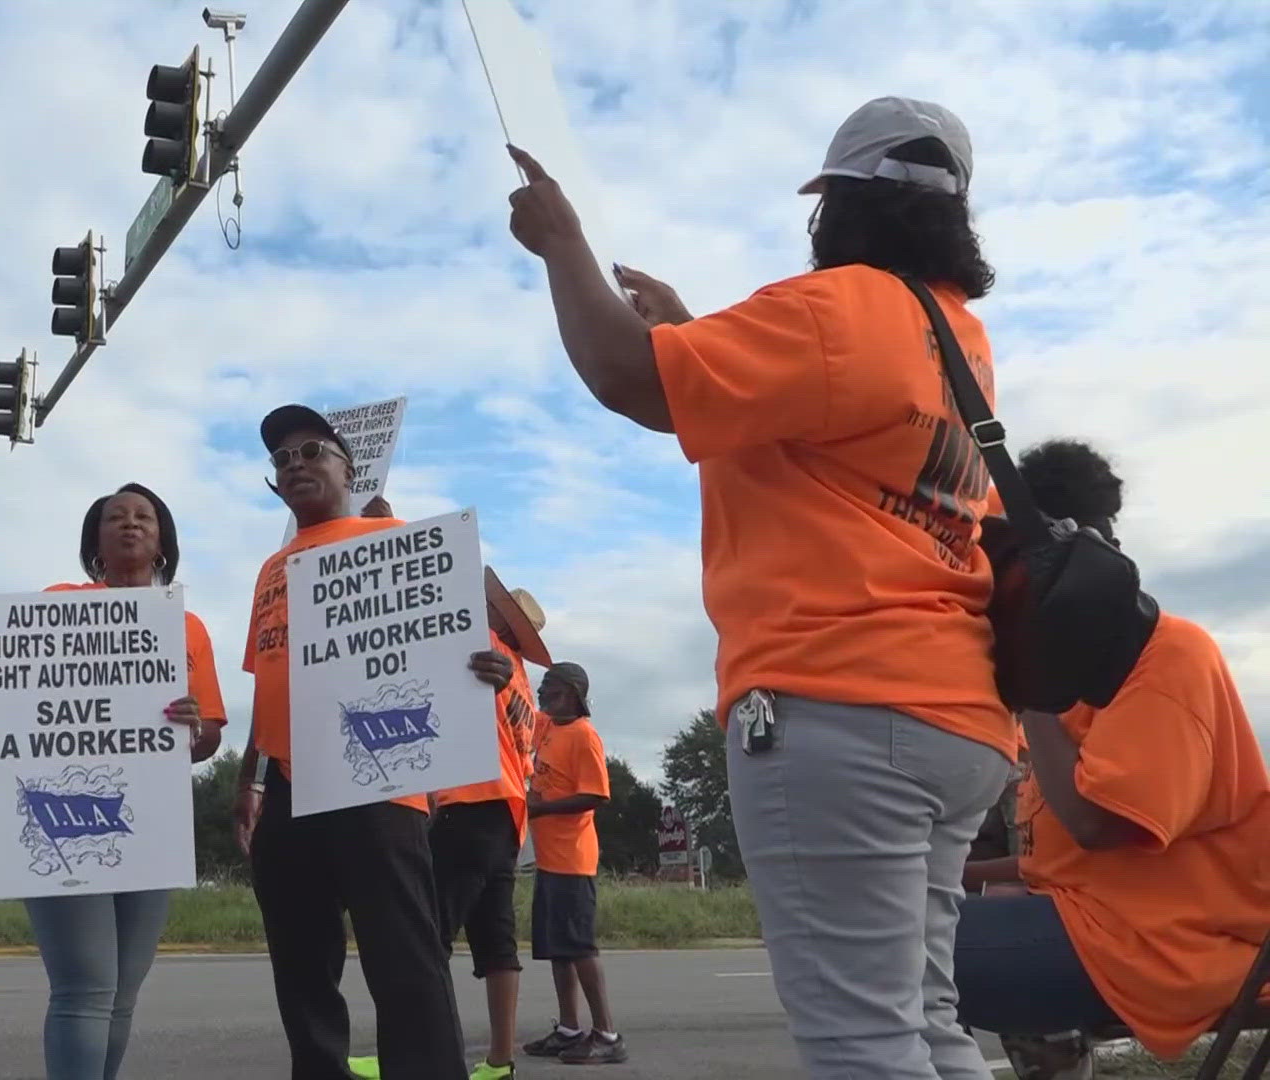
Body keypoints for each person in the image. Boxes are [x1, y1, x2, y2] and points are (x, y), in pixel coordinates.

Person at [507, 96, 1015, 1078]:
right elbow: (820, 446)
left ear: (840, 203)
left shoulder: (839, 308)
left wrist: (561, 243)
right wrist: (696, 333)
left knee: (863, 1043)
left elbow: (626, 375)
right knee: (928, 1023)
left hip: (844, 707)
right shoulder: (956, 339)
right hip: (959, 719)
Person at [954, 440, 1270, 1078]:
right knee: (884, 923)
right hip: (1098, 922)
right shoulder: (1086, 679)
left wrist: (1031, 669)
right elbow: (1071, 857)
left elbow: (1099, 827)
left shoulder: (1167, 655)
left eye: (1002, 561)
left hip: (1164, 945)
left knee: (877, 952)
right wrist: (954, 874)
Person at [235, 403, 516, 1080]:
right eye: (282, 459)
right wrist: (250, 778)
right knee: (302, 967)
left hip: (378, 785)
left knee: (405, 960)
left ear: (347, 469)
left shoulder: (391, 541)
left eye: (311, 452)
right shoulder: (271, 568)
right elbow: (268, 678)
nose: (295, 464)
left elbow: (448, 649)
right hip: (288, 790)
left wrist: (489, 672)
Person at [25, 483, 228, 1080]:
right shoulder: (58, 602)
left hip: (151, 822)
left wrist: (192, 727)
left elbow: (209, 739)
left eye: (144, 517)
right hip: (66, 813)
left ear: (163, 541)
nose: (130, 524)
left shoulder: (185, 626)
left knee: (121, 993)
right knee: (84, 989)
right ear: (96, 540)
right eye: (116, 517)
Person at [349, 564, 552, 1080]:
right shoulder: (523, 677)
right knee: (496, 941)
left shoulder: (480, 642)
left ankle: (412, 1054)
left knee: (424, 933)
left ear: (496, 616)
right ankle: (500, 1061)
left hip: (470, 802)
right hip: (508, 814)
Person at [519, 662, 624, 1066]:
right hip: (549, 860)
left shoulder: (584, 735)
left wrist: (543, 810)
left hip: (573, 860)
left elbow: (596, 796)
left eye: (554, 691)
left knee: (579, 947)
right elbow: (521, 705)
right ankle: (568, 1029)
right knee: (557, 949)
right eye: (543, 689)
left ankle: (608, 1034)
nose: (545, 696)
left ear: (576, 696)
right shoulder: (548, 727)